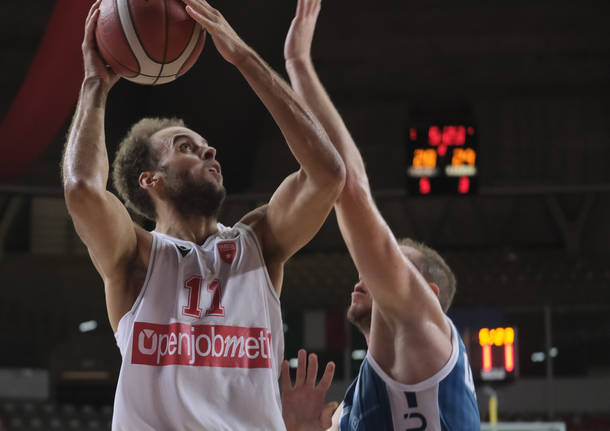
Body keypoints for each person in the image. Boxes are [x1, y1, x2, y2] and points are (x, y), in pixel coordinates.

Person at [61, 0, 345, 428]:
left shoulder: (257, 242)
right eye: (184, 147)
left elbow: (327, 173)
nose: (208, 150)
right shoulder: (135, 256)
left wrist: (244, 58)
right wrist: (93, 85)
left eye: (205, 145)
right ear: (151, 180)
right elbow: (82, 189)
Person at [281, 0, 480, 429]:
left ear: (425, 293)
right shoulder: (351, 410)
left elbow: (348, 186)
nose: (366, 270)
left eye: (392, 262)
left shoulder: (426, 334)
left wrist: (298, 66)